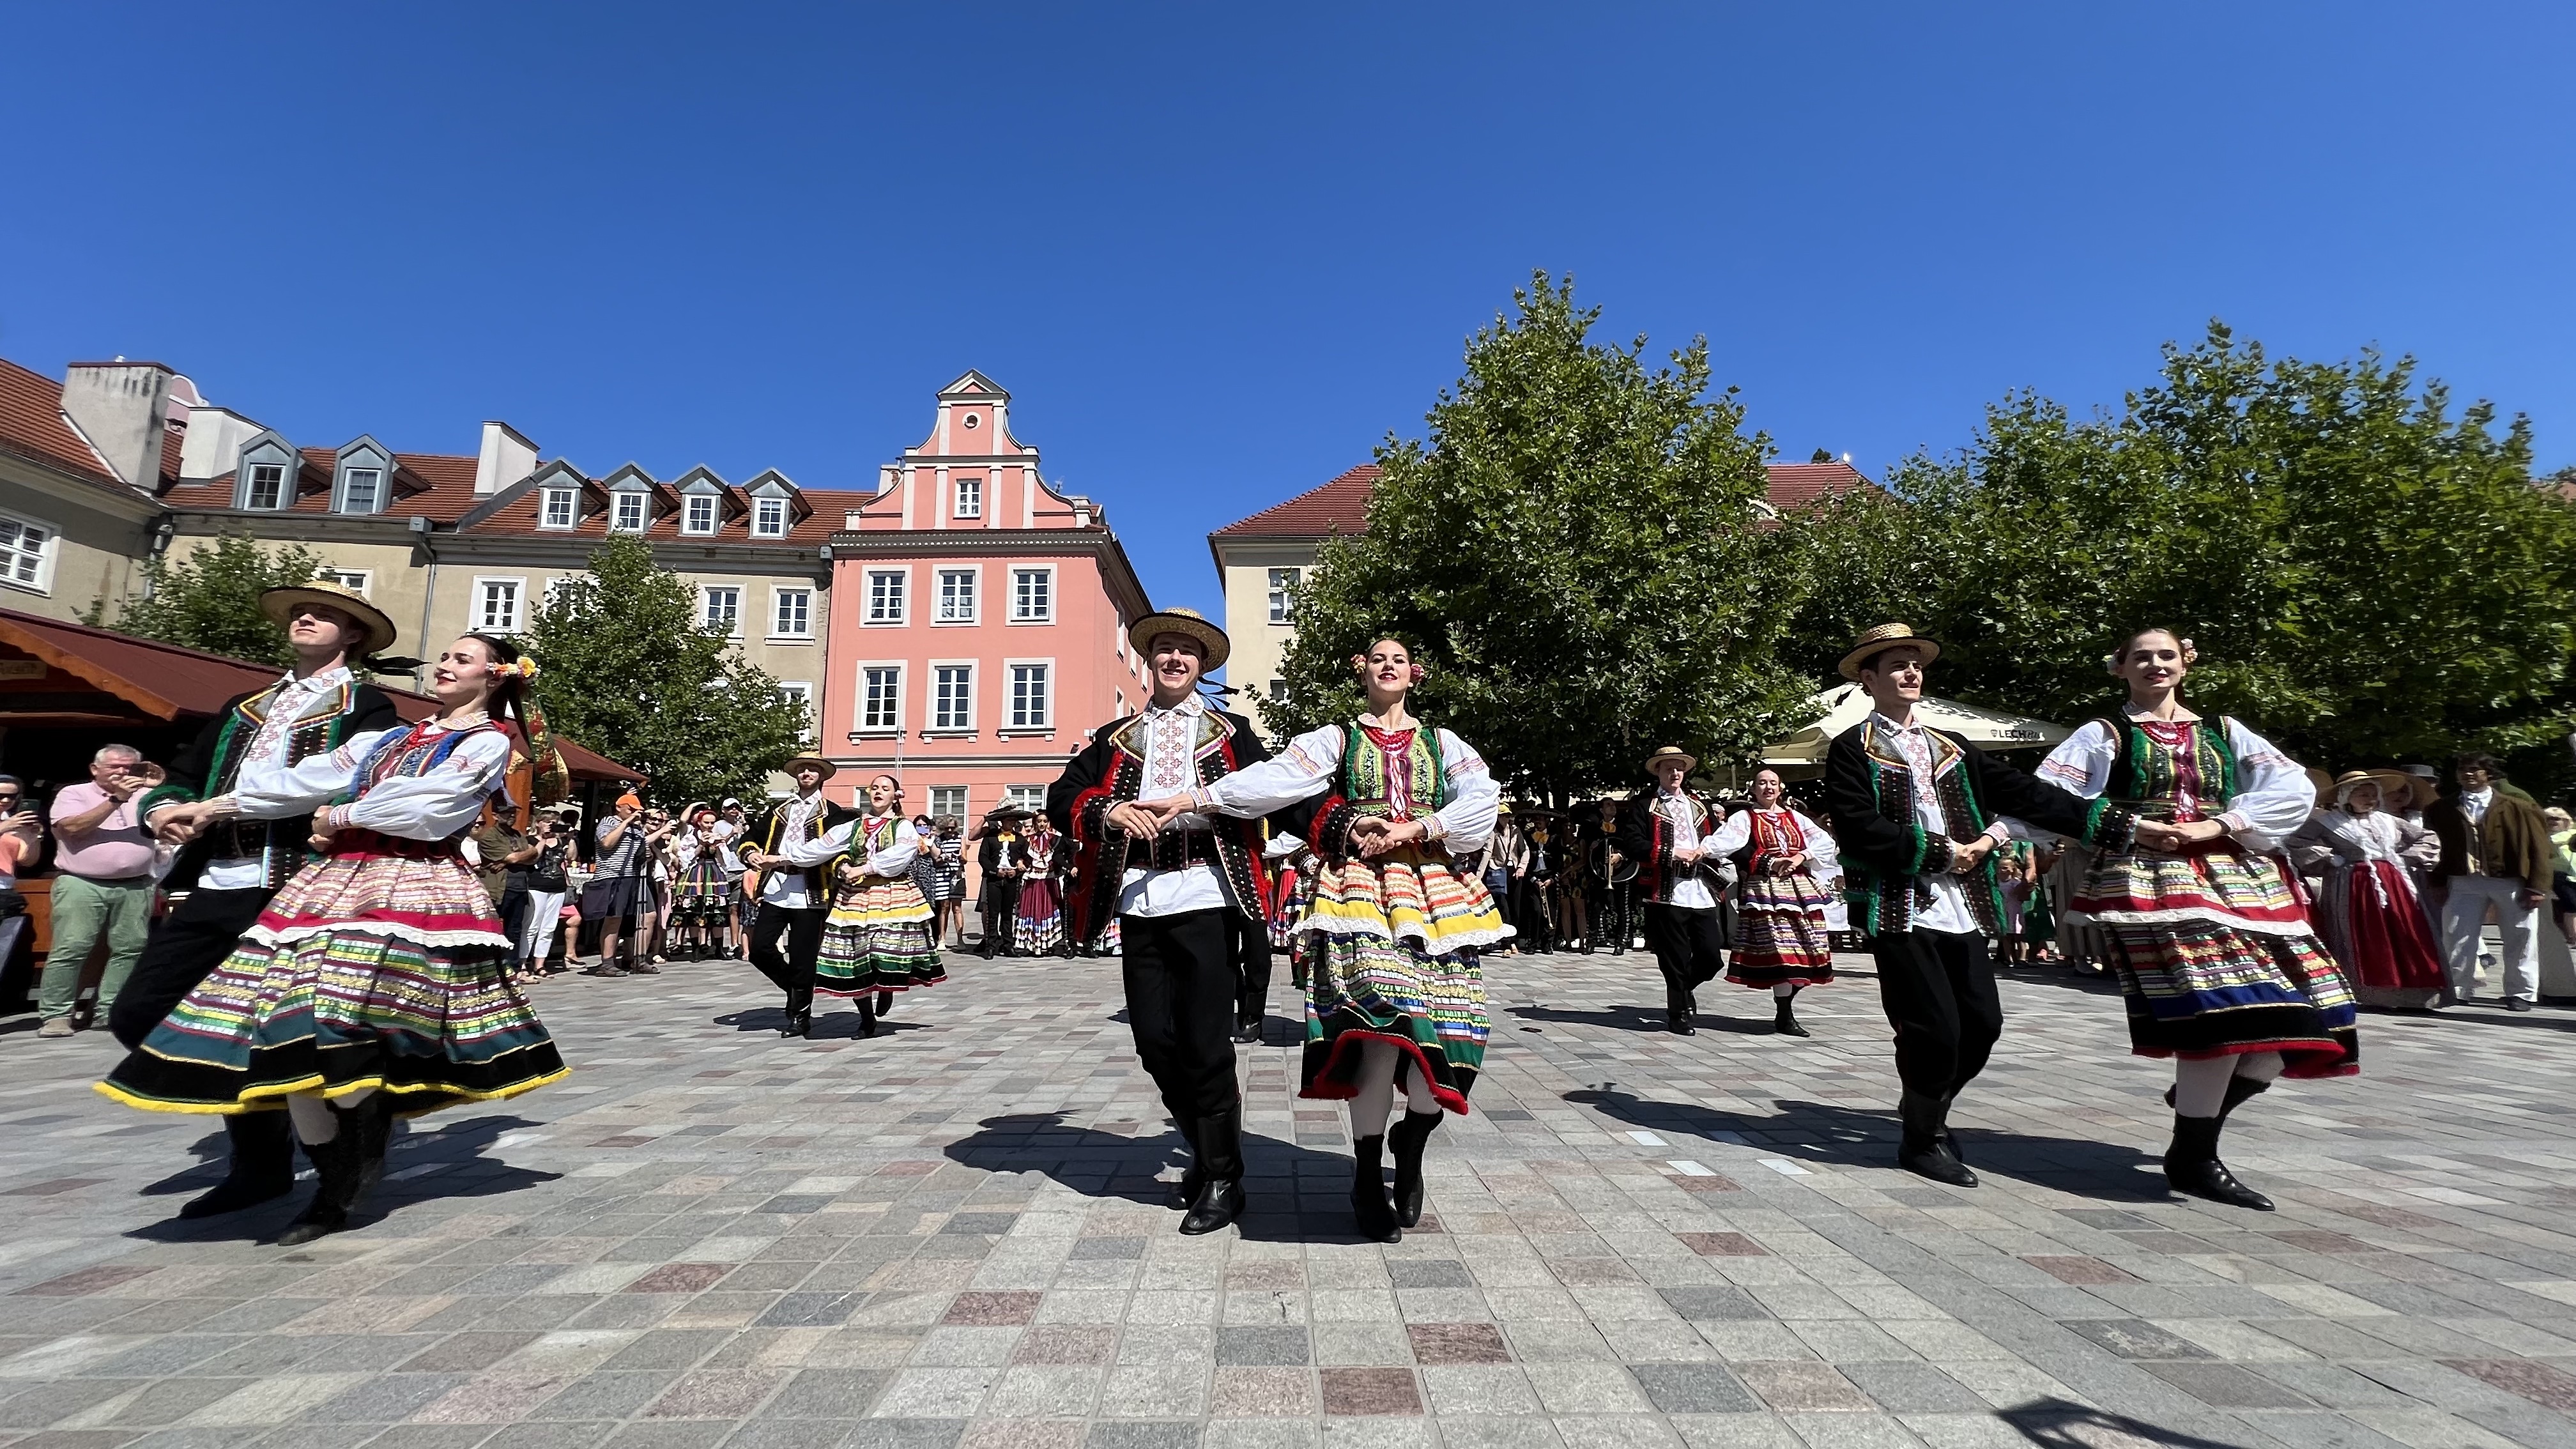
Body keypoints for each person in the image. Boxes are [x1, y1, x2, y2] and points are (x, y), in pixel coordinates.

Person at [101, 632, 570, 1243]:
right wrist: (215, 808)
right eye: (446, 656)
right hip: (331, 885)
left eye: (461, 659)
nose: (445, 665)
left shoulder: (484, 743)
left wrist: (338, 817)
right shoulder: (392, 736)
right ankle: (332, 1168)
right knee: (285, 1019)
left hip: (411, 886)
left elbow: (427, 806)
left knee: (343, 1020)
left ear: (496, 677)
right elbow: (304, 780)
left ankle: (342, 1177)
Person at [1144, 636, 1505, 1245]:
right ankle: (1367, 1174)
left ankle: (1410, 1144)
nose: (1387, 666)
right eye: (1376, 657)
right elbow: (1276, 781)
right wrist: (1199, 796)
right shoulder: (1334, 740)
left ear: (1414, 674)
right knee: (1380, 1033)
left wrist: (1421, 824)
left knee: (1447, 1045)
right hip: (1358, 891)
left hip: (1436, 894)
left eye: (1398, 659)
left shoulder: (1445, 744)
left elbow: (1482, 802)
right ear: (1360, 669)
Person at [2036, 628, 2358, 1211]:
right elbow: (2049, 796)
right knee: (2226, 1011)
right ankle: (2195, 1153)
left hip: (2244, 879)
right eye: (2141, 657)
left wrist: (2220, 825)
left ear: (2186, 661)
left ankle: (2194, 1117)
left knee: (2319, 1016)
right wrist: (2127, 826)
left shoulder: (2225, 732)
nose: (2155, 664)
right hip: (2155, 882)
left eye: (2165, 655)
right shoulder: (2106, 735)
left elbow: (2292, 788)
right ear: (2120, 669)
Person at [108, 582, 402, 1218]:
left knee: (294, 1030)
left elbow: (342, 777)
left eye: (325, 614)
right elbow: (181, 775)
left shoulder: (367, 707)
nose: (306, 617)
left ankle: (314, 1147)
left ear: (352, 635)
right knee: (141, 1013)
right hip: (217, 882)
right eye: (301, 610)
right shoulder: (245, 708)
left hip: (298, 885)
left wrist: (216, 805)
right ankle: (266, 1146)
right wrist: (162, 811)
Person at [1823, 623, 2137, 1188]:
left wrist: (2116, 825)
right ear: (1869, 680)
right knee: (1932, 1028)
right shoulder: (1852, 750)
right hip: (1900, 904)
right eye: (1896, 665)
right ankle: (1922, 1139)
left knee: (1983, 1024)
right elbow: (1859, 828)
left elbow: (2026, 794)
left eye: (1916, 663)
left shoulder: (1954, 747)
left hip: (1961, 904)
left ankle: (1927, 1107)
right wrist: (1943, 852)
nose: (1911, 672)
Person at [1046, 606, 1277, 1236]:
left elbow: (1273, 792)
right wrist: (1111, 810)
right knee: (1154, 1042)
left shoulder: (1233, 733)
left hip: (1207, 895)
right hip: (1140, 899)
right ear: (1150, 662)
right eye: (1165, 649)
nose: (1175, 659)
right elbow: (1061, 797)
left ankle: (1224, 1175)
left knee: (1205, 1044)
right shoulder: (1114, 738)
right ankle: (1210, 1155)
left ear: (1201, 666)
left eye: (1187, 651)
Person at [783, 772, 939, 1034]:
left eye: (885, 788)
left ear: (895, 796)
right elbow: (819, 847)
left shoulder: (903, 826)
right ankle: (867, 1017)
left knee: (883, 951)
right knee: (855, 958)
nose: (878, 792)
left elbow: (900, 855)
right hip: (854, 898)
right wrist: (778, 859)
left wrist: (864, 868)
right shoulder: (854, 826)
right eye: (874, 788)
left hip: (891, 894)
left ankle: (887, 987)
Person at [2292, 772, 2444, 1011]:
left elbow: (2427, 838)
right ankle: (2372, 993)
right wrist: (2332, 859)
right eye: (2362, 794)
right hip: (2353, 885)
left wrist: (2406, 858)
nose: (2369, 799)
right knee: (2367, 936)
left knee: (2404, 933)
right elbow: (2297, 843)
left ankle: (2413, 994)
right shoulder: (2328, 822)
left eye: (2373, 794)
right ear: (2346, 796)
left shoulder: (2388, 821)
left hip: (2394, 885)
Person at [38, 744, 162, 1037]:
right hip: (82, 882)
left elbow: (173, 824)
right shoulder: (74, 794)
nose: (122, 773)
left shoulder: (146, 797)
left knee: (130, 949)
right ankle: (56, 1015)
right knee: (72, 948)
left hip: (136, 884)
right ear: (95, 769)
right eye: (114, 767)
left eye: (129, 768)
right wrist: (117, 800)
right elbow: (73, 828)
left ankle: (108, 1011)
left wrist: (163, 793)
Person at [1706, 767, 1839, 1036]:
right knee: (1780, 950)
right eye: (1762, 783)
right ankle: (1785, 1013)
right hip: (1766, 890)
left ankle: (1786, 1007)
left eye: (1773, 783)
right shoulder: (1745, 817)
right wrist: (1702, 850)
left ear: (1781, 789)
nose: (1768, 788)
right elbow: (1729, 843)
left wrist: (1801, 857)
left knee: (1808, 949)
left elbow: (1825, 842)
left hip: (1799, 889)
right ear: (1753, 789)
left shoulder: (1796, 817)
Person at [2423, 753, 2553, 1013]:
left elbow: (2540, 848)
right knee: (2457, 934)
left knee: (2521, 936)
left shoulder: (2519, 807)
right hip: (2463, 879)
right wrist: (2436, 882)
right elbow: (2433, 848)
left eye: (2475, 770)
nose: (2468, 774)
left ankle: (2522, 993)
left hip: (2510, 880)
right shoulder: (2441, 808)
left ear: (2489, 774)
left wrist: (2537, 886)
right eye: (2463, 770)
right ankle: (2459, 989)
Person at [1618, 748, 1735, 1034]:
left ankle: (1684, 990)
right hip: (1665, 890)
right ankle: (1677, 1012)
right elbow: (1632, 843)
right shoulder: (1644, 805)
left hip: (1700, 887)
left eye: (1679, 769)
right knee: (1675, 956)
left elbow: (1718, 839)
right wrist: (1671, 853)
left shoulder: (1700, 805)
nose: (1675, 774)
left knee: (1711, 956)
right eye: (1669, 769)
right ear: (1658, 771)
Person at [736, 756, 856, 1035]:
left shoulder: (834, 813)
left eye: (813, 769)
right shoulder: (779, 810)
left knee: (803, 957)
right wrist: (752, 853)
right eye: (802, 769)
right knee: (760, 950)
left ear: (822, 776)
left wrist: (844, 868)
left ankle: (799, 1014)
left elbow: (839, 852)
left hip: (811, 890)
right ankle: (798, 987)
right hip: (776, 887)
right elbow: (751, 837)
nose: (806, 773)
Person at [583, 794, 668, 976]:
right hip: (613, 877)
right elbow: (607, 843)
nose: (635, 814)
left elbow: (641, 847)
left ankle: (639, 958)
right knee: (614, 918)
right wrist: (627, 822)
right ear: (619, 808)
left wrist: (646, 855)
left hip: (636, 877)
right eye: (631, 810)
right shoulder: (608, 822)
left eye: (637, 811)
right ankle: (607, 963)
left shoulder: (637, 829)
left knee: (649, 915)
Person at [518, 814, 574, 981]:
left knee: (549, 928)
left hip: (557, 888)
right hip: (537, 887)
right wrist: (543, 838)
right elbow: (533, 857)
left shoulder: (560, 842)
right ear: (538, 823)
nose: (551, 825)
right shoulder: (531, 840)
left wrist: (570, 839)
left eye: (554, 823)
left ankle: (540, 964)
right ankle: (522, 963)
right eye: (547, 822)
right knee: (531, 926)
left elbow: (571, 857)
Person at [1016, 811, 1069, 956]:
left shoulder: (1055, 840)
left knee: (1048, 908)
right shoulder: (1027, 840)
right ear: (1035, 823)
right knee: (1033, 908)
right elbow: (1020, 855)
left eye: (1045, 821)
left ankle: (1049, 943)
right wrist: (1020, 862)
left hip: (1049, 880)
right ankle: (1033, 944)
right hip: (1032, 880)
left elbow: (1064, 855)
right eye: (1039, 821)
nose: (1042, 824)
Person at [976, 814, 1024, 956]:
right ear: (1002, 822)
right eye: (1010, 820)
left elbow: (1027, 857)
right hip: (994, 879)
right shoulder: (991, 837)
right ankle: (990, 946)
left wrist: (1016, 871)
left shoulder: (1020, 839)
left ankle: (1008, 945)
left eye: (1014, 820)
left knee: (1008, 913)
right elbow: (983, 857)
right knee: (992, 913)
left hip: (1011, 879)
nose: (1012, 823)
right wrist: (994, 870)